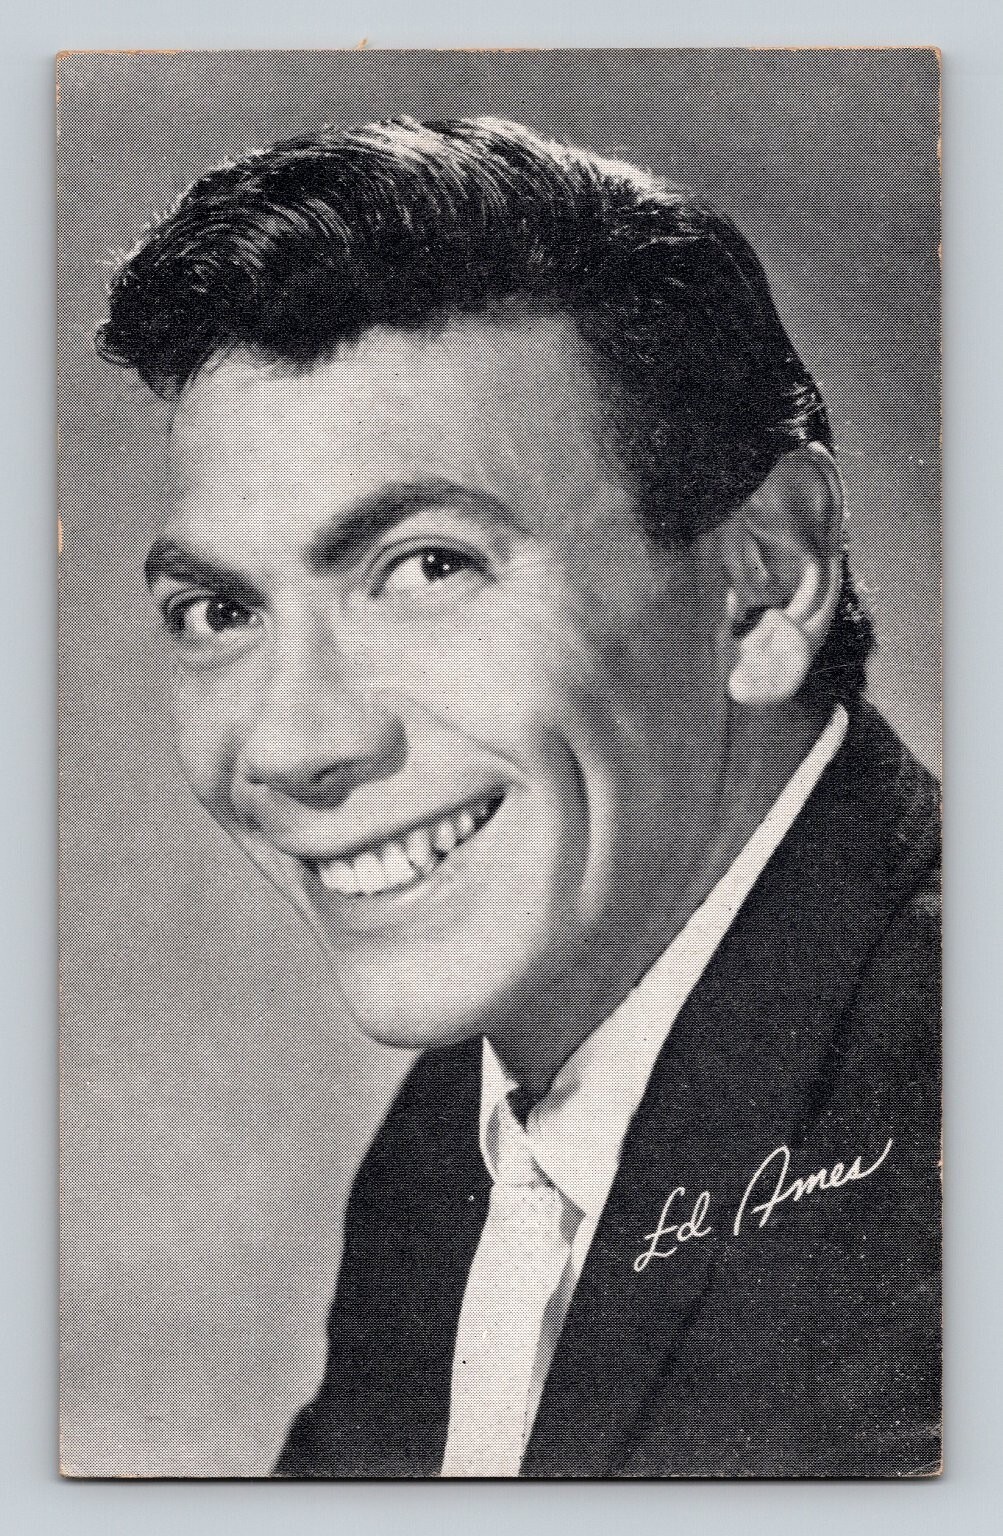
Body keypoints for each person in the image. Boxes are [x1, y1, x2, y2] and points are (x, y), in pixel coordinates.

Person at [96, 116, 941, 1479]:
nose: (295, 743)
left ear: (765, 582)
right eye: (220, 610)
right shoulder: (461, 1140)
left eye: (429, 567)